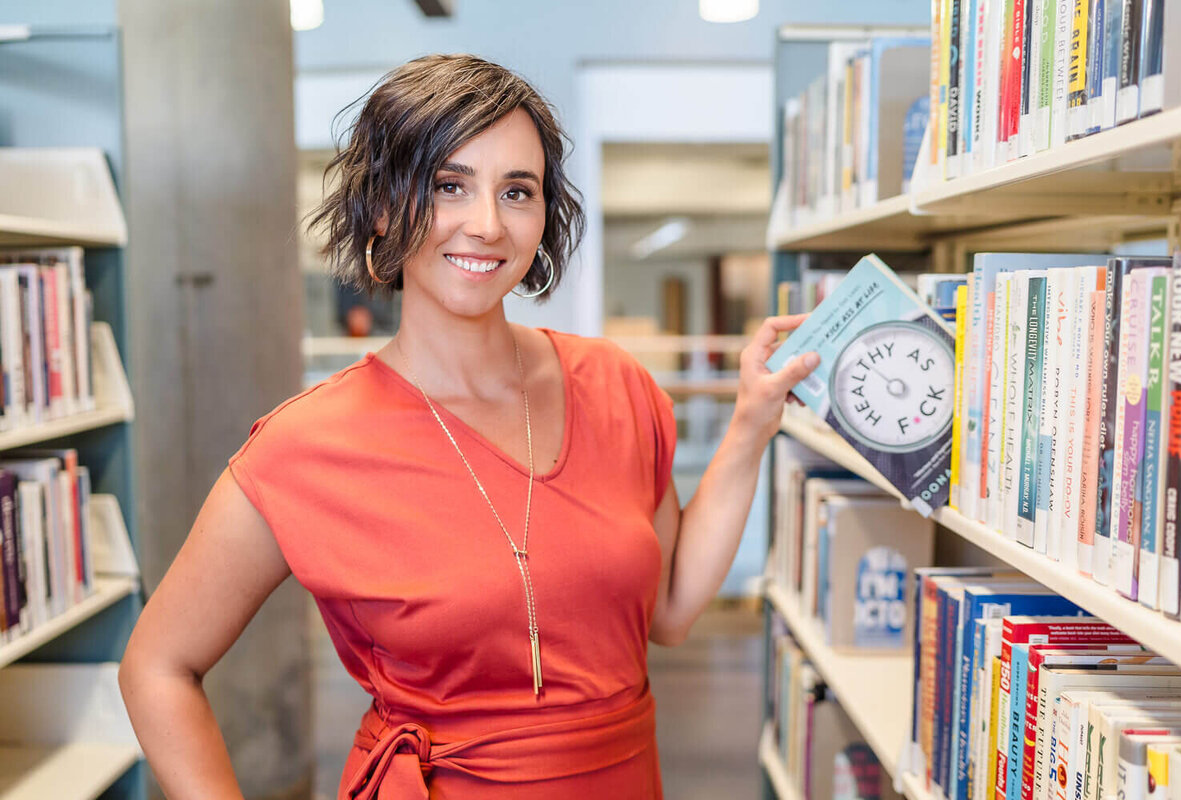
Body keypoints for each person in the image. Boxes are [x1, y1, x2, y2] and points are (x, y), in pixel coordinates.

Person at [118, 54, 819, 799]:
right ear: (383, 206)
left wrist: (750, 425)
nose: (486, 225)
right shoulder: (305, 448)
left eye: (517, 191)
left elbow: (671, 614)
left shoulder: (617, 387)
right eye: (449, 185)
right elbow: (156, 667)